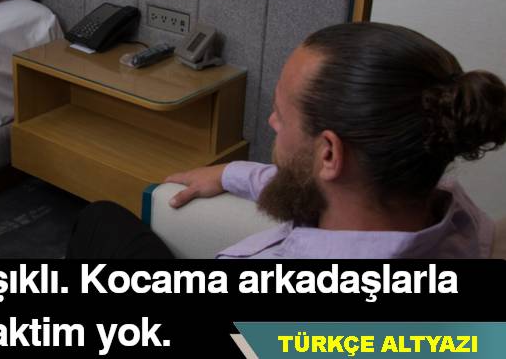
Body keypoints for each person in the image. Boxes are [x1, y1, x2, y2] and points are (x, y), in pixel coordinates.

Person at [67, 22, 506, 259]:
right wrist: (230, 172)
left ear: (329, 153)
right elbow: (305, 181)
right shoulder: (460, 218)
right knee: (102, 220)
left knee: (98, 221)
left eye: (282, 113)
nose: (271, 121)